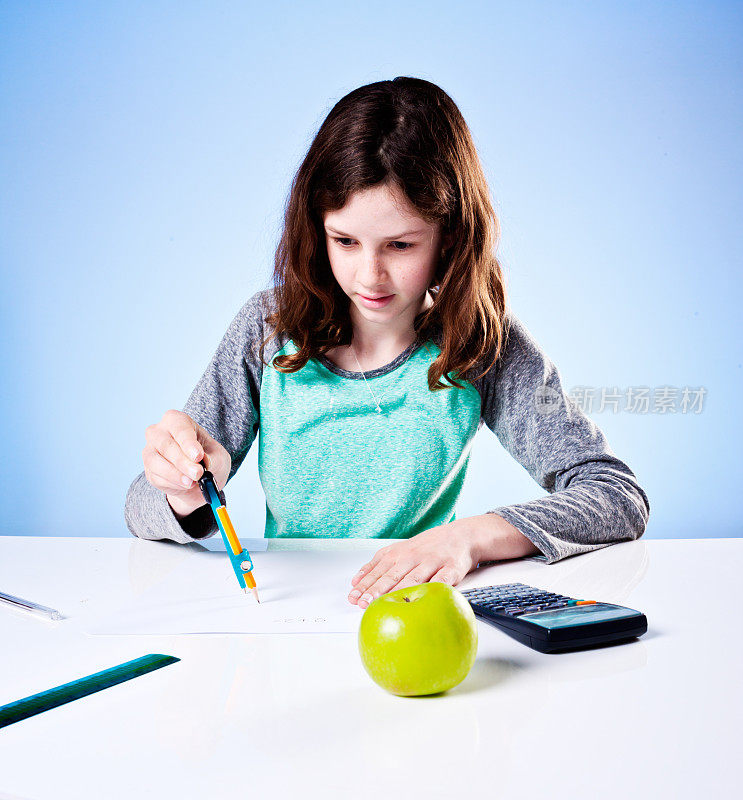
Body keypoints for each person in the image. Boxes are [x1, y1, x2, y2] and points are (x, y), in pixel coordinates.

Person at [125, 76, 650, 611]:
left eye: (400, 245)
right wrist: (181, 492)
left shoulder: (480, 343)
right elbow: (139, 511)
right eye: (345, 241)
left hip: (418, 613)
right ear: (316, 228)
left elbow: (616, 497)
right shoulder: (267, 329)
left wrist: (472, 536)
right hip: (287, 616)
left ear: (450, 235)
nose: (369, 276)